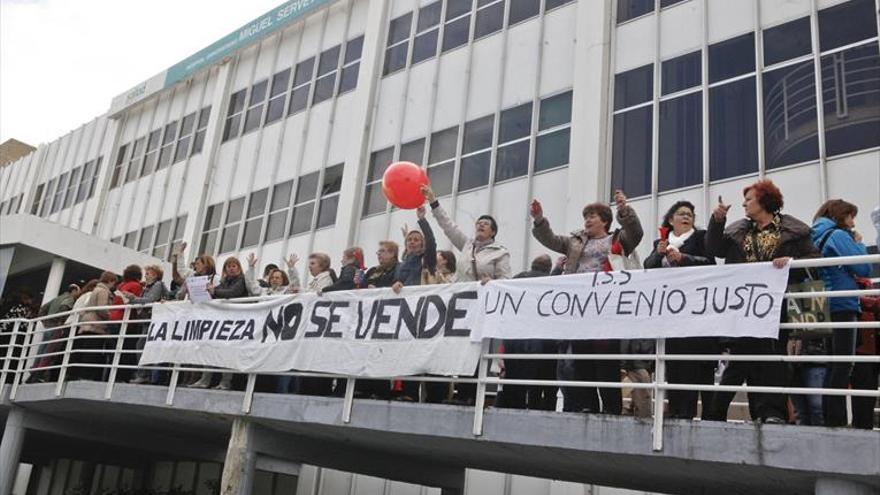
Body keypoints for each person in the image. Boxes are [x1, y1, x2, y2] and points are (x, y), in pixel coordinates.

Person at [703, 179, 817, 424]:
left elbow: (813, 260)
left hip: (778, 308)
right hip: (745, 309)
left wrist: (791, 260)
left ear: (764, 201)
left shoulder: (792, 231)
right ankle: (716, 413)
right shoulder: (739, 230)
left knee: (772, 361)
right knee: (740, 360)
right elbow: (714, 248)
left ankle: (771, 414)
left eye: (749, 199)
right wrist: (718, 220)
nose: (744, 204)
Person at [530, 190, 643, 415]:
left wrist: (624, 210)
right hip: (579, 310)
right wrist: (539, 220)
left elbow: (636, 232)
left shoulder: (618, 239)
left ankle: (611, 410)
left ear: (605, 221)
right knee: (582, 361)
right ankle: (587, 407)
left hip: (606, 308)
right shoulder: (575, 241)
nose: (588, 220)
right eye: (586, 216)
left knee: (606, 363)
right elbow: (550, 239)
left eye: (593, 216)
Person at [643, 200, 717, 420]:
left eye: (690, 214)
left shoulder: (701, 237)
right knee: (674, 366)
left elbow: (710, 264)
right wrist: (658, 254)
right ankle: (677, 413)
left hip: (696, 314)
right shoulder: (661, 242)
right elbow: (648, 267)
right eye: (681, 213)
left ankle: (704, 417)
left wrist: (684, 259)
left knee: (698, 367)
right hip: (670, 316)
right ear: (670, 219)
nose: (686, 217)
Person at [811, 199, 871, 427]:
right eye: (850, 216)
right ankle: (835, 419)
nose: (852, 222)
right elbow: (864, 267)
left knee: (833, 363)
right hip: (843, 303)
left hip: (825, 303)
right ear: (840, 215)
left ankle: (831, 417)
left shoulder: (816, 234)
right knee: (843, 363)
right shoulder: (838, 235)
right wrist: (859, 242)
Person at [495, 254, 558, 411]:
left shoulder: (518, 279)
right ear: (548, 268)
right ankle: (546, 410)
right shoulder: (553, 283)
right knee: (546, 383)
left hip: (516, 337)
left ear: (532, 265)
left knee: (515, 378)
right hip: (545, 341)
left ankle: (515, 408)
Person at [391, 205, 438, 401]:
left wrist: (422, 220)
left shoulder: (426, 261)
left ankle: (428, 396)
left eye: (416, 239)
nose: (412, 242)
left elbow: (433, 243)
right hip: (404, 314)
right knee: (407, 353)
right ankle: (409, 394)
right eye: (409, 239)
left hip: (423, 312)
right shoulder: (401, 265)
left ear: (422, 244)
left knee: (422, 353)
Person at [422, 185, 511, 283]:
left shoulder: (500, 253)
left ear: (493, 232)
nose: (481, 225)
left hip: (483, 296)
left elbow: (506, 281)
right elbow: (448, 226)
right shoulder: (467, 245)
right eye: (479, 223)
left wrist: (492, 283)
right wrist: (433, 201)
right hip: (460, 295)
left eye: (486, 224)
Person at [189, 257, 249, 391]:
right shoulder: (224, 281)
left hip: (235, 322)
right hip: (221, 321)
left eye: (234, 266)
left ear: (239, 268)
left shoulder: (241, 280)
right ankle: (205, 380)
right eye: (228, 266)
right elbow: (216, 292)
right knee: (210, 349)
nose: (231, 268)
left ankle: (226, 381)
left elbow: (233, 293)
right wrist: (206, 290)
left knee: (227, 352)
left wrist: (214, 291)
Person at [123, 265, 170, 384]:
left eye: (148, 273)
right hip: (149, 319)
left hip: (153, 320)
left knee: (141, 345)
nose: (146, 275)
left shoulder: (157, 285)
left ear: (155, 275)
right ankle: (145, 374)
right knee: (143, 345)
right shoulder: (148, 287)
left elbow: (150, 300)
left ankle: (144, 374)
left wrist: (133, 299)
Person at [28, 284, 81, 383]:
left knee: (41, 350)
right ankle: (38, 374)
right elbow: (63, 309)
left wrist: (46, 321)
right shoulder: (69, 299)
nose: (78, 294)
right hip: (56, 327)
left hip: (48, 327)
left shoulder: (57, 298)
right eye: (78, 291)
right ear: (73, 290)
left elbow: (43, 308)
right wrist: (60, 322)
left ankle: (33, 372)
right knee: (49, 352)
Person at [72, 272, 117, 381]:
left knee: (84, 351)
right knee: (92, 352)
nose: (114, 285)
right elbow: (101, 309)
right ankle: (86, 376)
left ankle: (78, 375)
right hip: (96, 326)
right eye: (114, 282)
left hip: (87, 324)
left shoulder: (96, 289)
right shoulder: (103, 291)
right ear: (110, 280)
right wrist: (111, 316)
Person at [109, 265, 143, 382]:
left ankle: (111, 376)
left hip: (113, 318)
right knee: (125, 350)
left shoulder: (121, 285)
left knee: (114, 350)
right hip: (126, 320)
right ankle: (122, 377)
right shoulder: (136, 286)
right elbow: (137, 303)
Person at [0, 289, 36, 383]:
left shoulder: (8, 306)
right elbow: (23, 325)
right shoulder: (21, 308)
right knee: (10, 360)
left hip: (5, 337)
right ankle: (9, 379)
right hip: (12, 339)